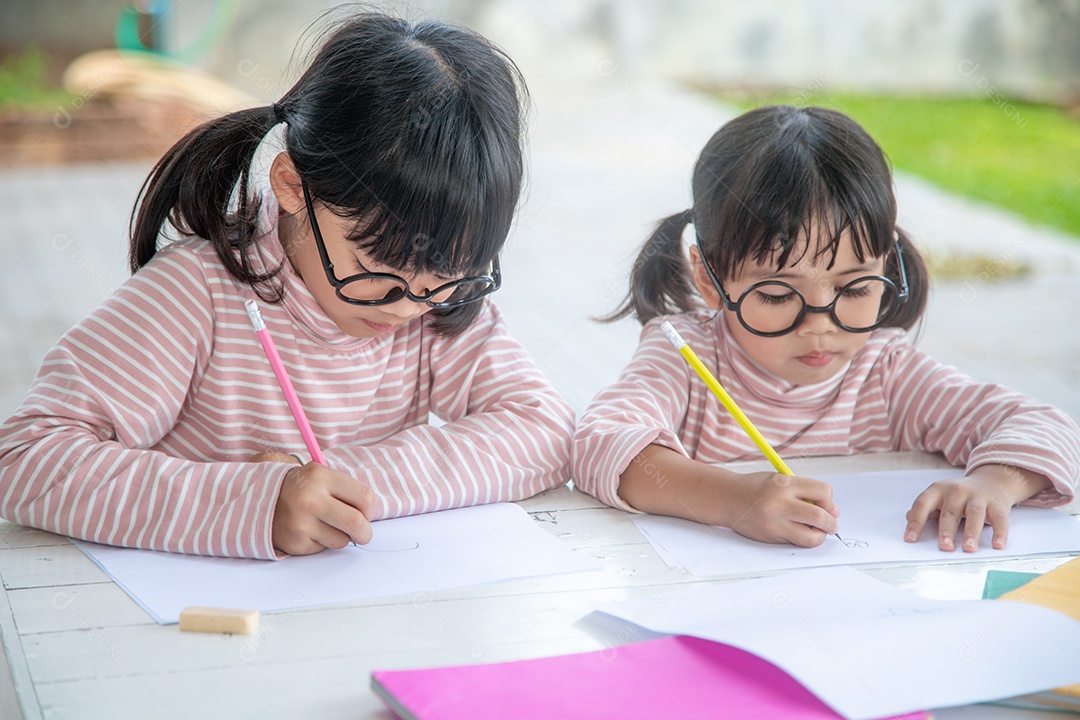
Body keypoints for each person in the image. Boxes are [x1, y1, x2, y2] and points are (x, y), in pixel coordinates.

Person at [0, 12, 574, 560]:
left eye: (449, 273)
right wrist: (250, 504)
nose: (406, 308)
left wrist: (335, 480)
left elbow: (546, 432)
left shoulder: (437, 307)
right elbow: (26, 460)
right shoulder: (198, 294)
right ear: (293, 186)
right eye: (377, 264)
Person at [572, 105, 1079, 552]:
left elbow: (1049, 428)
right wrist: (732, 501)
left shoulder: (886, 372)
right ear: (708, 277)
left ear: (888, 266)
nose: (819, 326)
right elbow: (598, 443)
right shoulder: (686, 357)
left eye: (855, 289)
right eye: (775, 294)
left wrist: (995, 483)